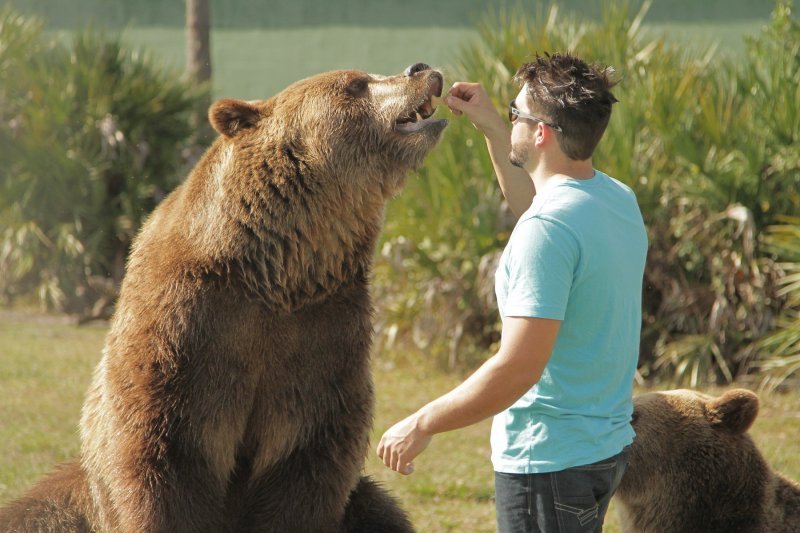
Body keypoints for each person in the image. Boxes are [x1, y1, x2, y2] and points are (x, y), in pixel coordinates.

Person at [376, 52, 648, 532]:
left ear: (541, 133)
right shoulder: (613, 198)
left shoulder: (547, 229)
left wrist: (422, 422)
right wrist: (492, 129)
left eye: (515, 113)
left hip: (548, 461)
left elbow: (519, 367)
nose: (510, 117)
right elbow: (536, 206)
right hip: (601, 449)